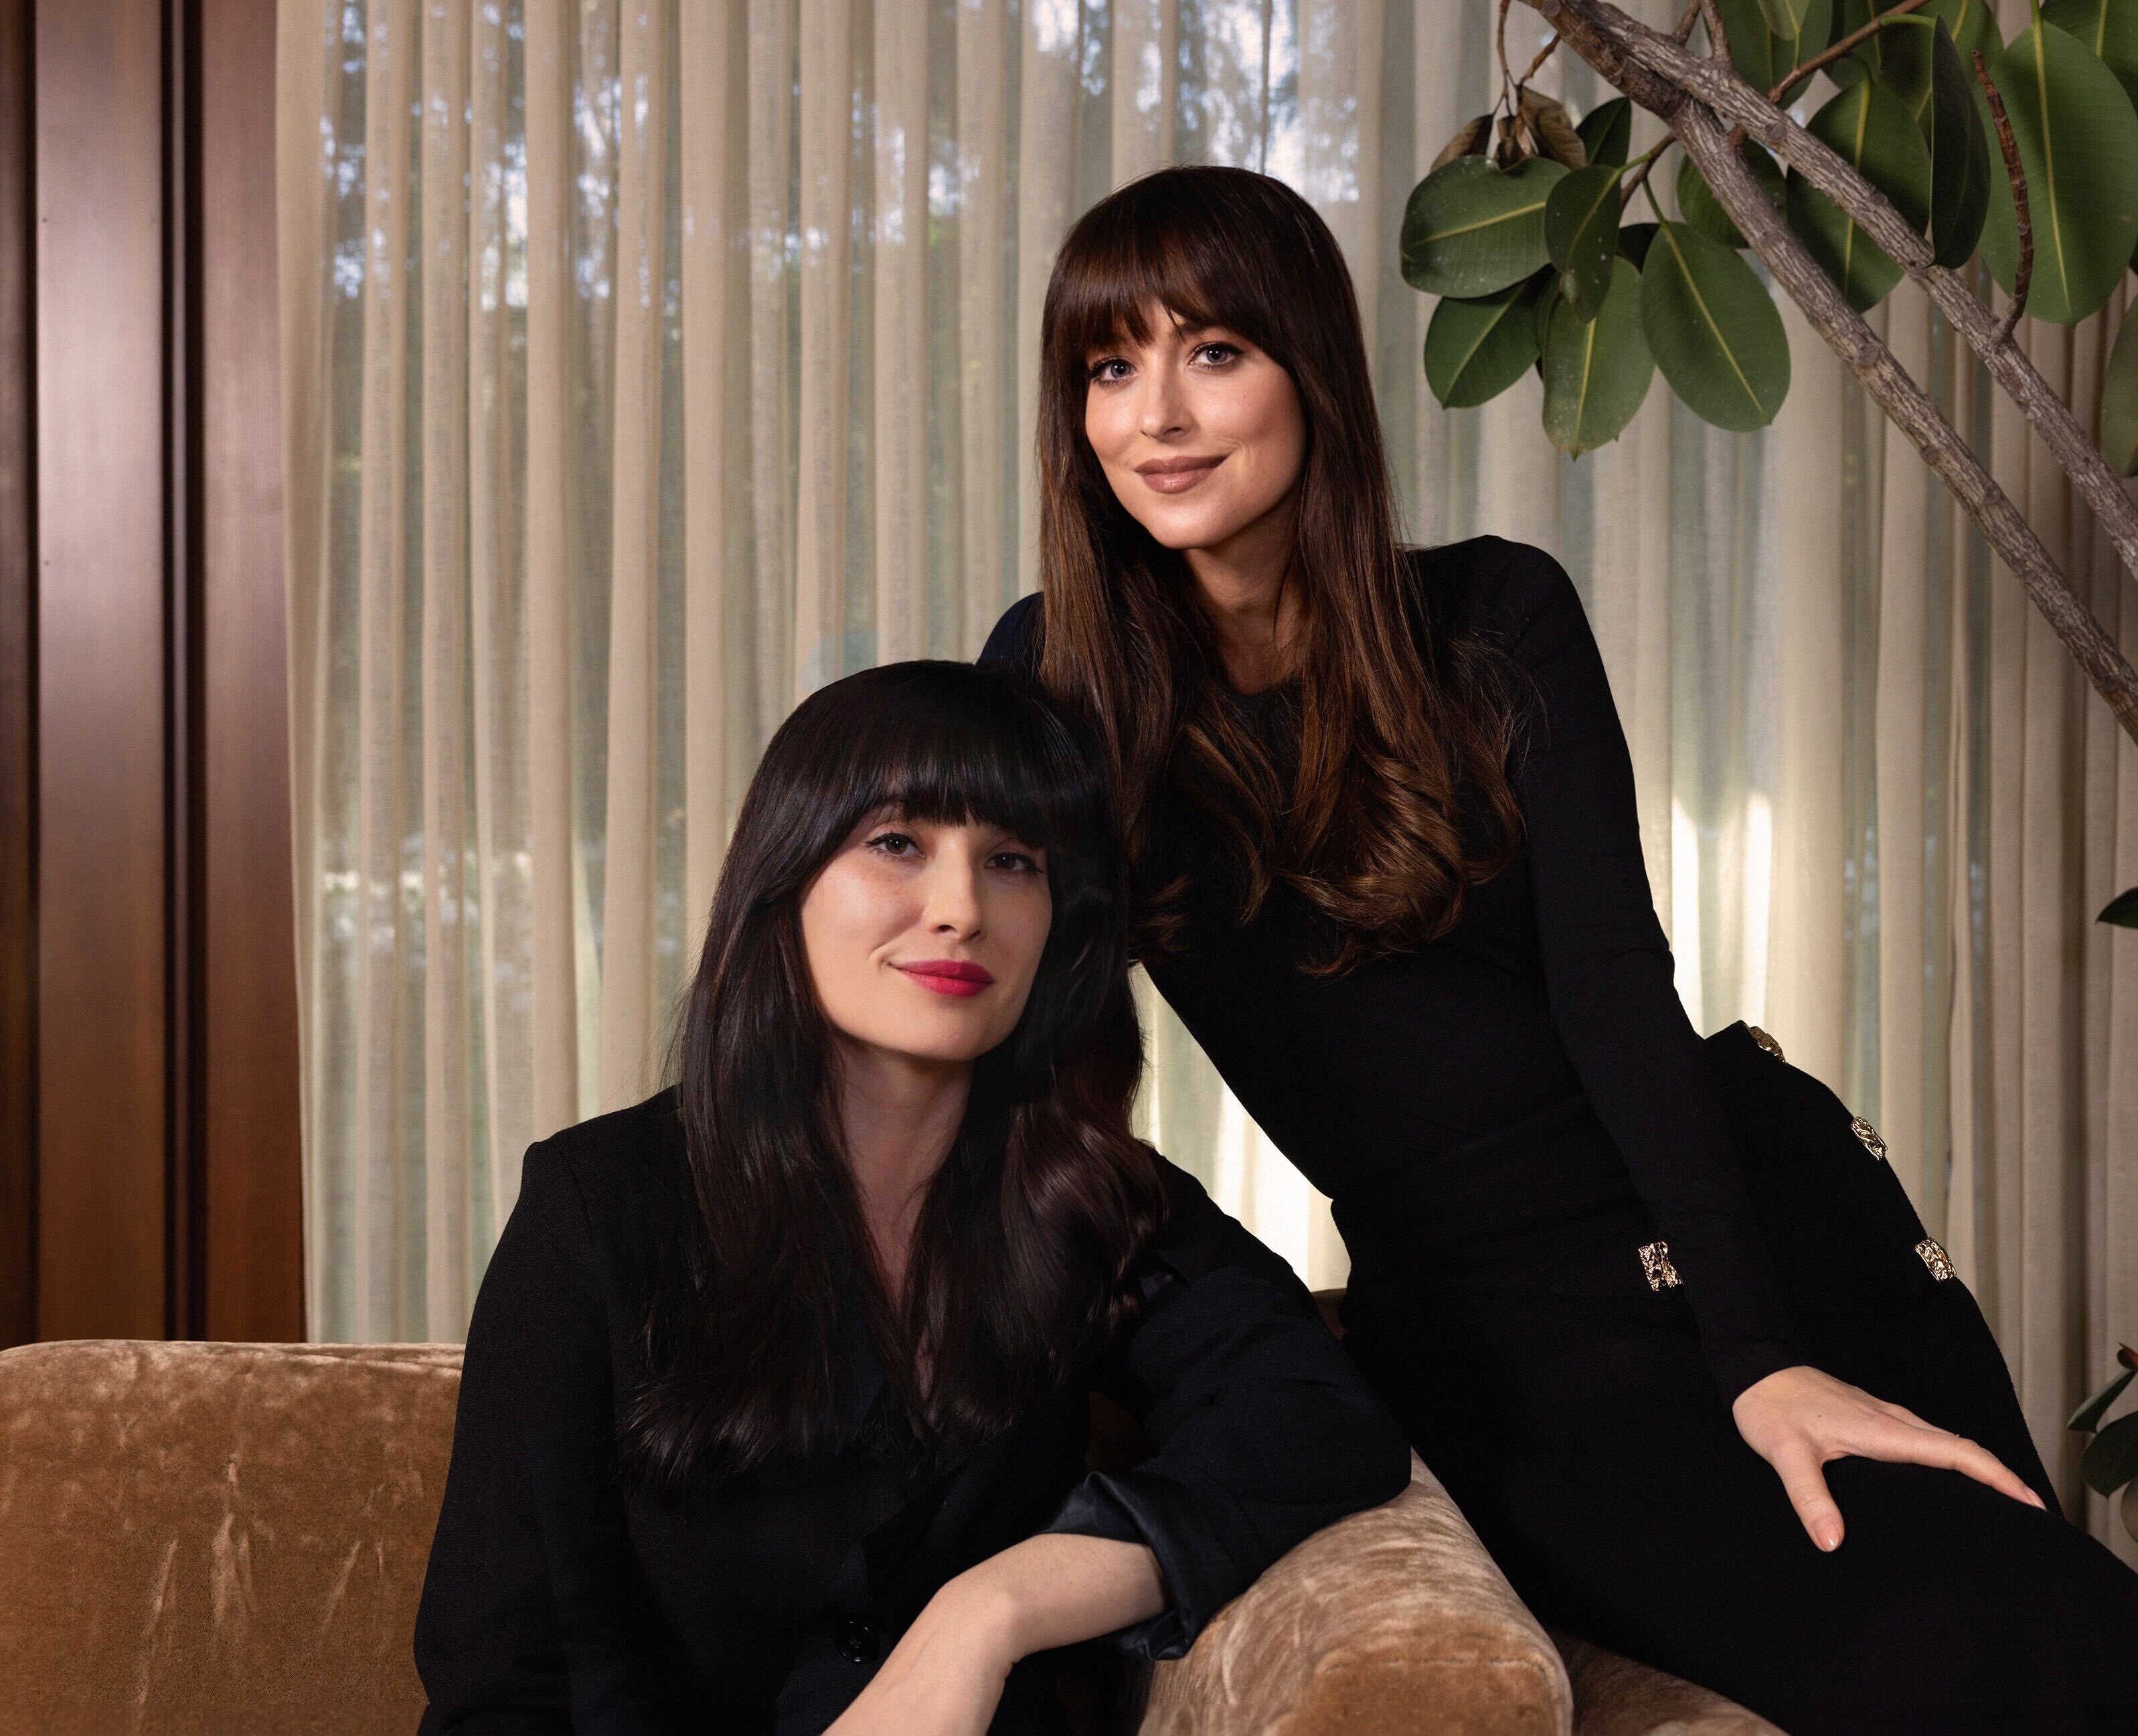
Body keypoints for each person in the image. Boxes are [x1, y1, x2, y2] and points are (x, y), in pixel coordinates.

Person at [981, 163, 2138, 1735]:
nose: (1156, 417)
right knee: (1949, 1635)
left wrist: (1759, 1352)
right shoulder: (1059, 684)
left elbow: (1615, 994)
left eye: (1212, 352)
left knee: (2065, 1621)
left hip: (1752, 1225)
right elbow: (1029, 1057)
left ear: (1309, 367)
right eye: (1108, 367)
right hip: (1494, 1326)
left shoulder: (1495, 615)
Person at [413, 659, 1410, 1736]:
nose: (961, 910)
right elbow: (506, 1691)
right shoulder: (597, 1205)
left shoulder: (1089, 1191)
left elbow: (1317, 1413)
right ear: (786, 876)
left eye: (1012, 860)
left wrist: (991, 1610)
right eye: (898, 843)